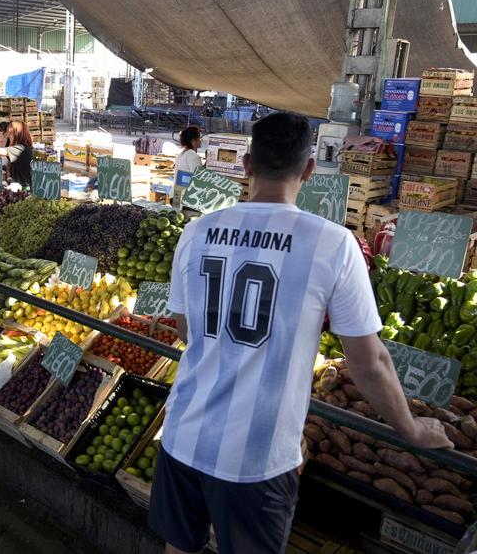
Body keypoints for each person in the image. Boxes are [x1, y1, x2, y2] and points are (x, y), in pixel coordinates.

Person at [149, 112, 452, 554]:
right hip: (257, 458)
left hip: (182, 435)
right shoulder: (333, 243)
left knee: (178, 550)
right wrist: (411, 429)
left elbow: (186, 328)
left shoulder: (197, 232)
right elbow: (369, 362)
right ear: (309, 170)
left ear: (248, 165)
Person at [0, 120, 33, 188]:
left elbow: (0, 151)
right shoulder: (22, 147)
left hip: (24, 187)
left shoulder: (21, 148)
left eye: (10, 133)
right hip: (19, 184)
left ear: (18, 134)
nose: (8, 136)